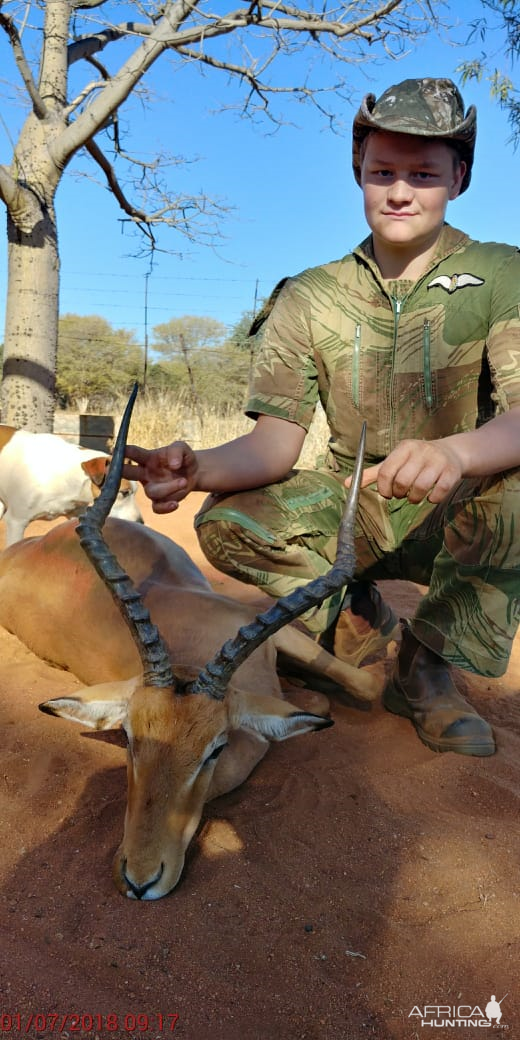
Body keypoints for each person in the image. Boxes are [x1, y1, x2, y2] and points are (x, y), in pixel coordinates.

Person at [123, 78, 520, 759]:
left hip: (461, 506)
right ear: (359, 175)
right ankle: (355, 621)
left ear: (459, 176)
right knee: (226, 522)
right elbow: (276, 444)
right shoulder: (310, 294)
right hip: (354, 507)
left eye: (423, 173)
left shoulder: (503, 272)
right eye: (383, 172)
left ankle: (424, 667)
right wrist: (197, 470)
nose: (400, 191)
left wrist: (455, 454)